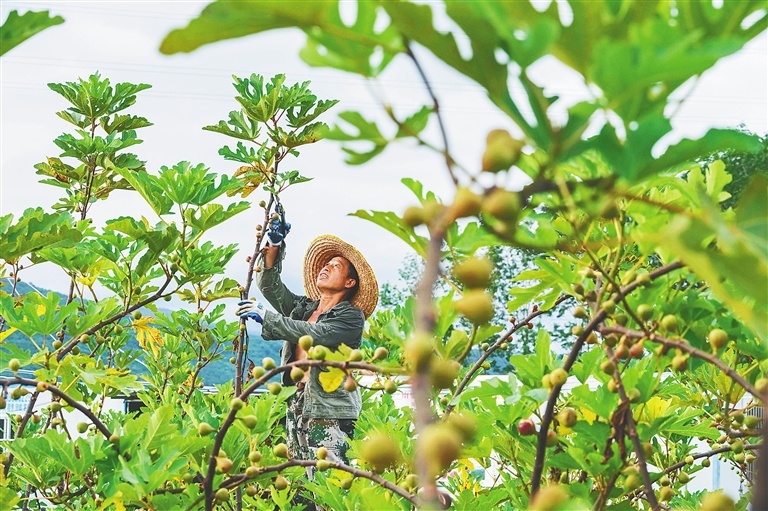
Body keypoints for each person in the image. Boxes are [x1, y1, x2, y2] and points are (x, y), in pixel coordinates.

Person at [236, 220, 378, 498]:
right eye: (325, 264)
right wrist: (275, 246)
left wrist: (267, 317)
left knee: (330, 486)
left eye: (335, 266)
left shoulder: (350, 317)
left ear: (349, 282)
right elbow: (271, 286)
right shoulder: (304, 308)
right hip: (297, 404)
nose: (325, 267)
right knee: (300, 485)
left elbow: (314, 334)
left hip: (329, 412)